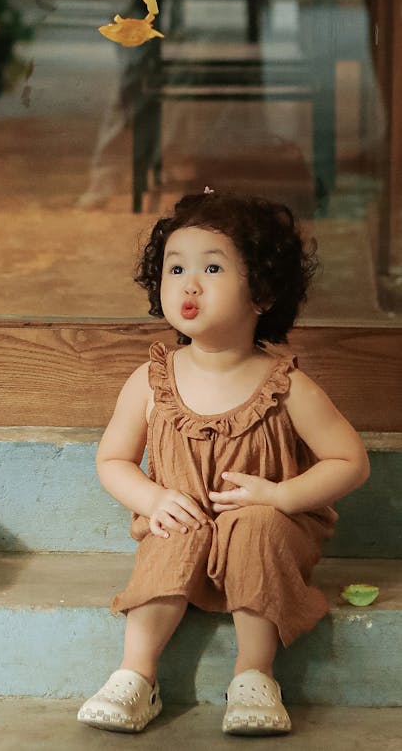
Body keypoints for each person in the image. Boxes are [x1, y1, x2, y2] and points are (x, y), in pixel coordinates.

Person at [77, 189, 370, 736]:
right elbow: (113, 459)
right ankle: (136, 675)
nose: (189, 284)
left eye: (212, 268)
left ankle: (254, 674)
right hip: (185, 524)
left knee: (255, 527)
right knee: (172, 530)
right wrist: (153, 499)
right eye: (176, 268)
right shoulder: (151, 381)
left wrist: (280, 496)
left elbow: (350, 461)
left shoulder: (287, 387)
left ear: (261, 292)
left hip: (266, 532)